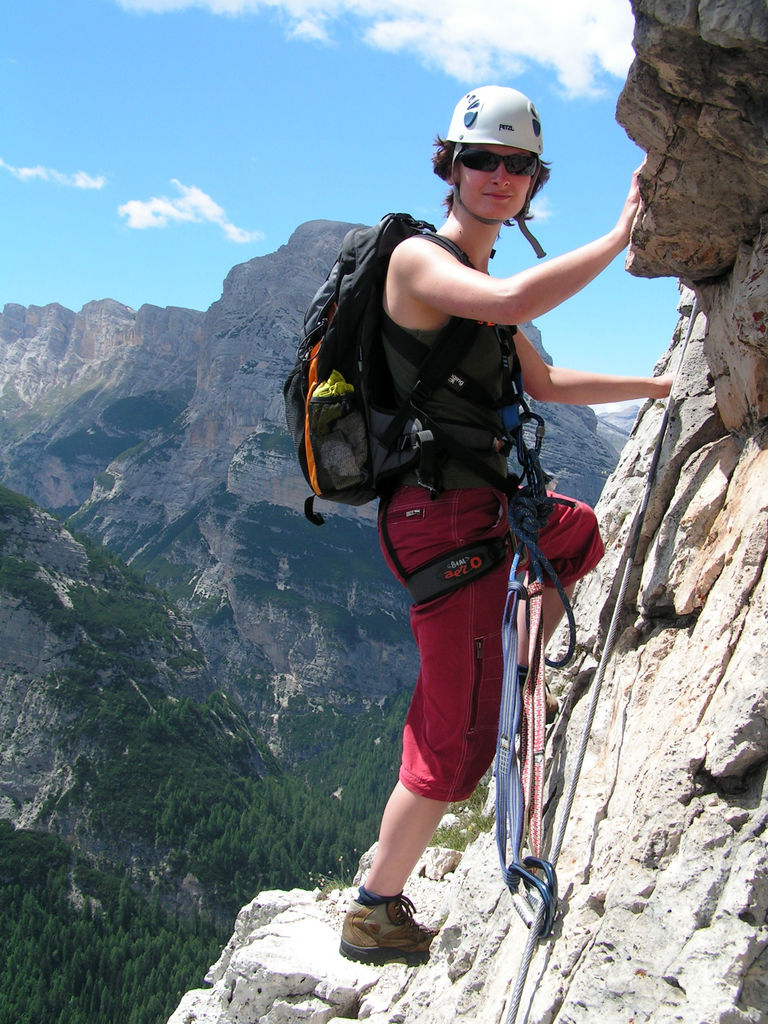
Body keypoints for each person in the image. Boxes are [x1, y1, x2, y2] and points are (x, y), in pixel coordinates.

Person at [339, 86, 672, 966]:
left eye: (516, 164)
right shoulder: (420, 263)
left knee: (577, 534)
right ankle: (374, 907)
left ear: (531, 181)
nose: (498, 176)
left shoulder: (483, 289)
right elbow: (518, 301)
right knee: (451, 745)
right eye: (481, 159)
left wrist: (664, 388)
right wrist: (620, 237)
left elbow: (550, 386)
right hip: (439, 522)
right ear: (449, 166)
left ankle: (520, 674)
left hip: (483, 507)